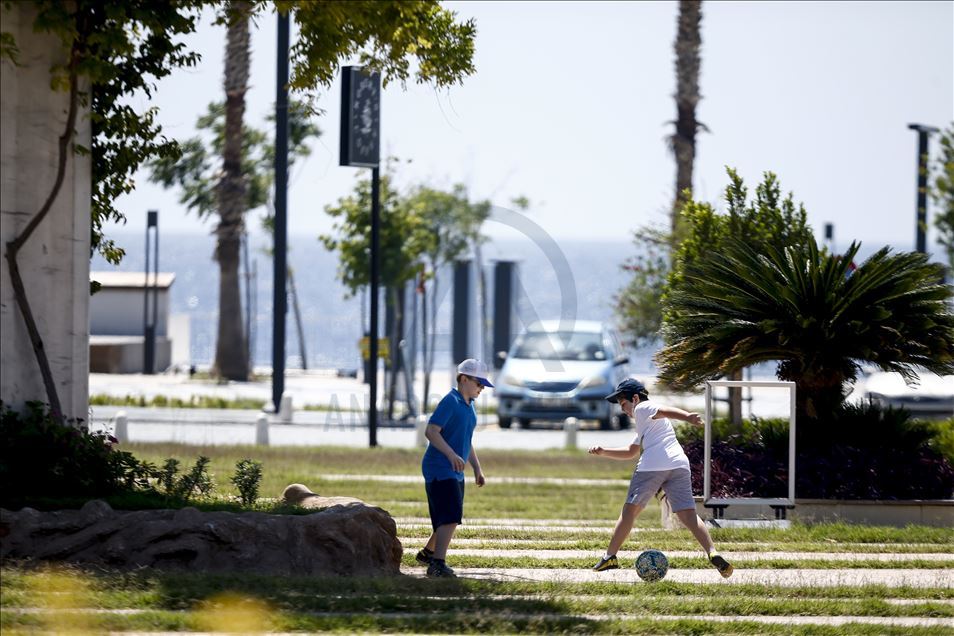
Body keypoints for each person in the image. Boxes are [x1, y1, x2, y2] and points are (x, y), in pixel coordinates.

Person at [588, 378, 733, 578]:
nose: (623, 410)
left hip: (652, 465)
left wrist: (687, 417)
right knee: (688, 515)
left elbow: (663, 410)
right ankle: (712, 551)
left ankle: (610, 556)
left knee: (629, 512)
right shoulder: (646, 425)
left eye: (623, 404)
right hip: (679, 464)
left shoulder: (642, 408)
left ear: (635, 398)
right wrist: (604, 451)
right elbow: (631, 451)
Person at [416, 358, 493, 578]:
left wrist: (477, 468)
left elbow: (465, 440)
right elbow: (431, 431)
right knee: (450, 516)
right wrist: (450, 454)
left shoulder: (470, 406)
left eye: (483, 386)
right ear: (464, 379)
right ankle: (437, 564)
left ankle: (428, 553)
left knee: (449, 515)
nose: (481, 389)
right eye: (479, 384)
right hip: (439, 467)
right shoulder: (451, 401)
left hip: (455, 468)